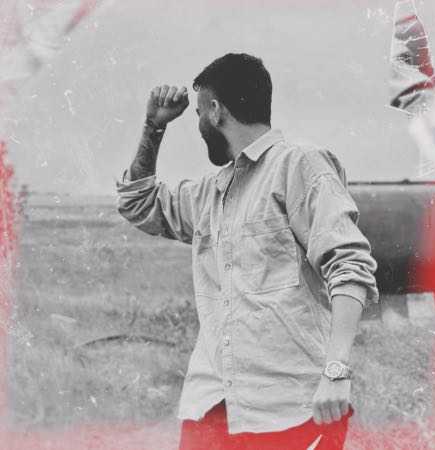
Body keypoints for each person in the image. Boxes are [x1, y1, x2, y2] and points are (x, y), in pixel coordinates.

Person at [116, 53, 379, 449]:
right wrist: (154, 127)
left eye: (199, 114)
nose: (200, 126)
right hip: (210, 407)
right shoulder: (210, 192)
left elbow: (349, 266)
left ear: (216, 111)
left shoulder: (299, 165)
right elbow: (139, 204)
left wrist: (337, 371)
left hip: (289, 410)